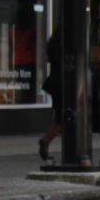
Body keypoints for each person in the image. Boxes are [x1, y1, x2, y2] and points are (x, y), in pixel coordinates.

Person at [38, 27, 63, 162]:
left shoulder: (53, 44)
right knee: (64, 117)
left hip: (54, 83)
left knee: (60, 114)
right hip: (65, 84)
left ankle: (46, 141)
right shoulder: (67, 45)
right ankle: (46, 139)